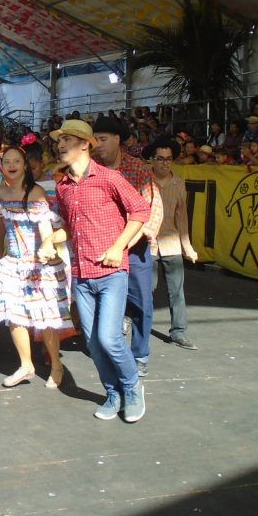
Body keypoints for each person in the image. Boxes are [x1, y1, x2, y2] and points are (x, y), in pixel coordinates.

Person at [52, 119, 149, 423]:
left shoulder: (110, 178)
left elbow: (140, 211)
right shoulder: (62, 186)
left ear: (85, 144)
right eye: (58, 140)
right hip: (82, 275)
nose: (60, 144)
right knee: (93, 343)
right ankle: (113, 392)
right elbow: (69, 226)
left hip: (110, 272)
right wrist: (47, 241)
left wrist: (118, 247)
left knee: (109, 338)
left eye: (67, 139)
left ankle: (133, 387)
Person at [0, 147, 70, 389]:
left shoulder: (35, 193)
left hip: (38, 264)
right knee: (14, 316)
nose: (11, 164)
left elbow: (46, 228)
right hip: (13, 262)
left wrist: (47, 247)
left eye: (16, 160)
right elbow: (3, 226)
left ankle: (56, 365)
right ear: (1, 165)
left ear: (25, 165)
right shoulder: (2, 190)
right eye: (7, 161)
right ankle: (26, 366)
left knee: (44, 318)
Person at [91, 116, 162, 379]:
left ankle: (140, 353)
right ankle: (109, 347)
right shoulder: (90, 169)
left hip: (134, 246)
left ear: (118, 139)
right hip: (102, 244)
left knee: (142, 301)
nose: (97, 145)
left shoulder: (138, 169)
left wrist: (128, 242)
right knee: (102, 299)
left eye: (103, 139)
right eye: (95, 139)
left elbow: (152, 209)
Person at [145, 140, 198, 349]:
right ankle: (133, 321)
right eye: (160, 159)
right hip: (147, 243)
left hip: (171, 243)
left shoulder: (178, 183)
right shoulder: (144, 181)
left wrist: (188, 247)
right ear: (152, 160)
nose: (164, 163)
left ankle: (179, 331)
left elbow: (182, 217)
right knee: (145, 288)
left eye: (168, 159)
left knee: (176, 291)